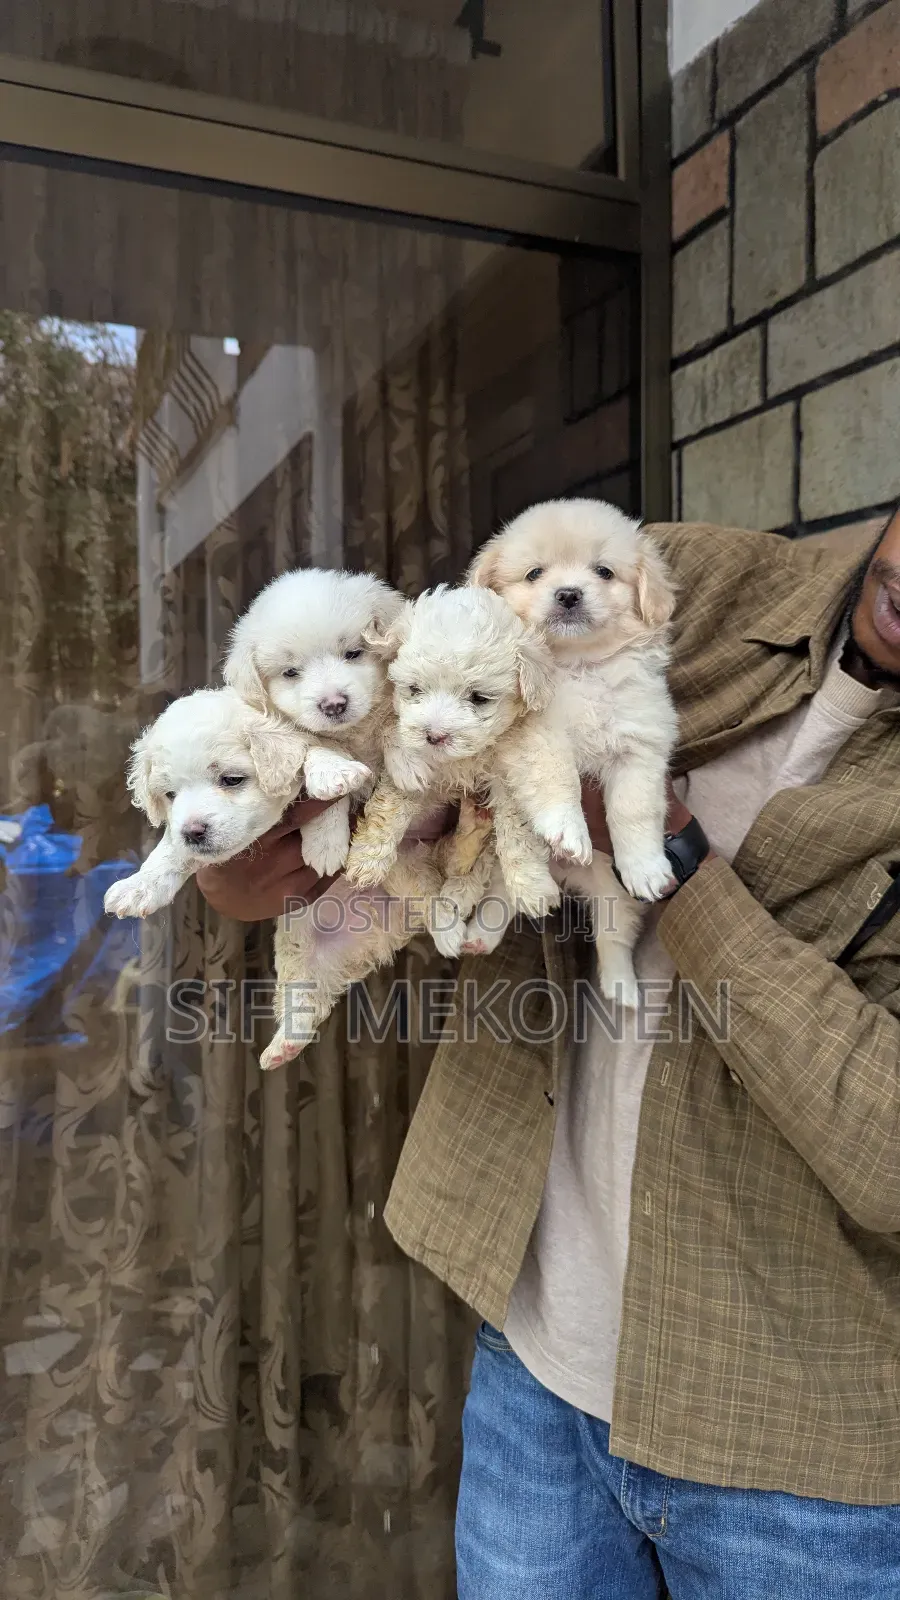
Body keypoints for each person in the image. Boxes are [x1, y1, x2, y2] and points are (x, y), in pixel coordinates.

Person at [199, 509, 900, 1599]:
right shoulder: (695, 576)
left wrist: (666, 851)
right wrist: (248, 834)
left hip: (798, 1442)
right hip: (538, 1355)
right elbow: (404, 669)